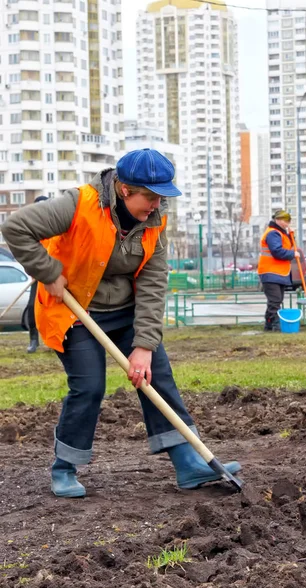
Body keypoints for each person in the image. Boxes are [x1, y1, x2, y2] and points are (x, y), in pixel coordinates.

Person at [1, 149, 241, 498]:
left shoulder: (155, 222)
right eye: (151, 196)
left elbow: (153, 281)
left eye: (161, 197)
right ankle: (64, 467)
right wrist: (48, 272)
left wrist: (143, 346)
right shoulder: (78, 204)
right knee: (89, 387)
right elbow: (15, 228)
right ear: (125, 189)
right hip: (75, 310)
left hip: (127, 311)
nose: (157, 205)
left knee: (156, 376)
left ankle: (189, 463)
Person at [257, 209, 300, 332]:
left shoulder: (280, 233)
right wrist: (293, 254)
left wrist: (292, 237)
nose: (287, 224)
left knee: (276, 300)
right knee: (275, 300)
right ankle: (275, 325)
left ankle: (269, 325)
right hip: (270, 271)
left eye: (288, 221)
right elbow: (277, 251)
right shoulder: (273, 233)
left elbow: (285, 246)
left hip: (278, 272)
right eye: (285, 221)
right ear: (278, 220)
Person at [22, 195, 49, 353]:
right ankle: (33, 340)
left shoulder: (57, 226)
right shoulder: (32, 229)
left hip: (58, 276)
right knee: (33, 307)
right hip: (39, 277)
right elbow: (27, 254)